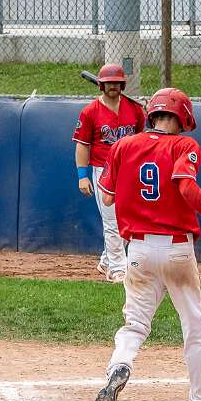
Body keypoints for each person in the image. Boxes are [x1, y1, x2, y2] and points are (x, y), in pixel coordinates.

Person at [92, 88, 201, 401]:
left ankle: (120, 364)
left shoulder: (123, 145)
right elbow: (186, 185)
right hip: (176, 250)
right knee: (194, 326)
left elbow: (108, 197)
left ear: (152, 115)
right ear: (182, 117)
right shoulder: (184, 145)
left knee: (135, 323)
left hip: (138, 251)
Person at [73, 63, 146, 283]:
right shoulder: (90, 112)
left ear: (122, 85)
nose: (112, 86)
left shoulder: (134, 109)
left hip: (129, 170)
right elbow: (82, 145)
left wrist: (150, 110)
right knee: (112, 221)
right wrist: (82, 175)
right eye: (108, 83)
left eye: (116, 82)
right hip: (103, 171)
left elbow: (143, 137)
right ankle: (117, 268)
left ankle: (107, 260)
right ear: (101, 85)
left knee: (128, 220)